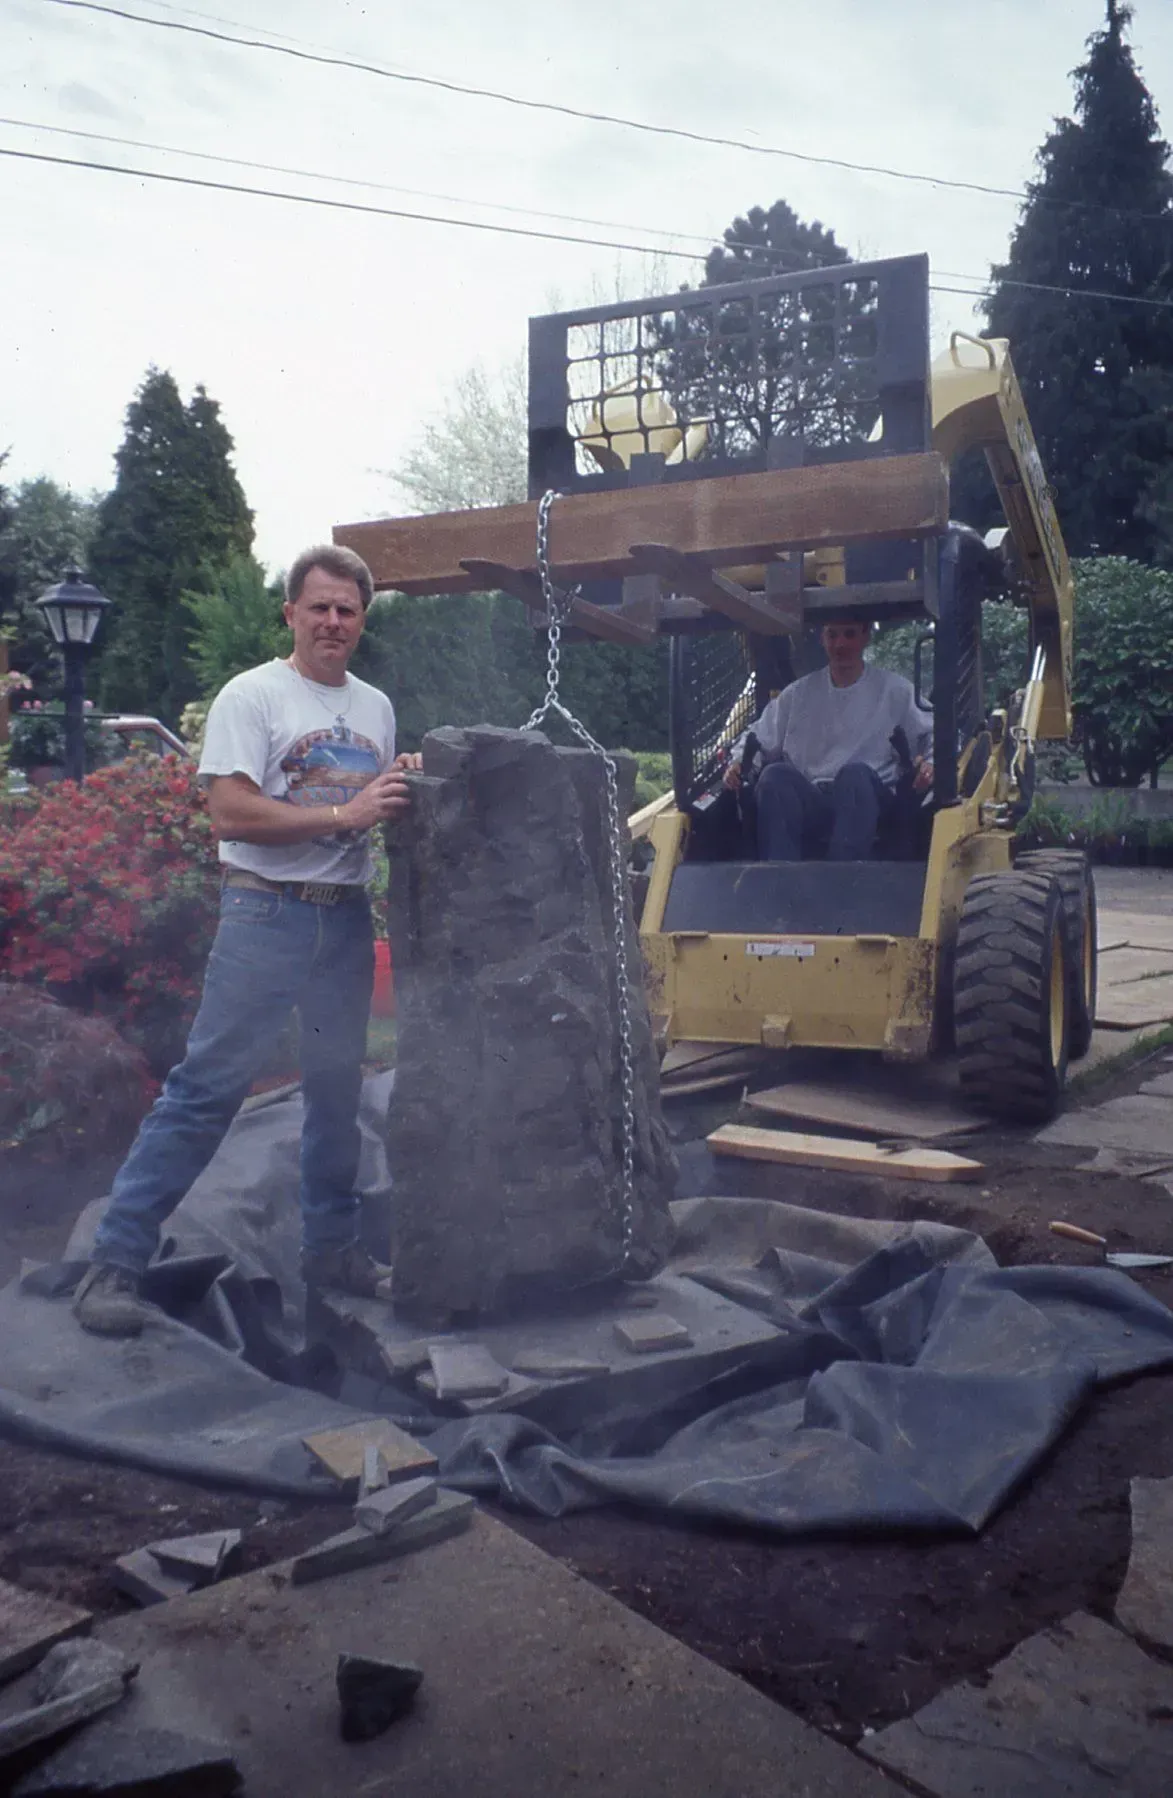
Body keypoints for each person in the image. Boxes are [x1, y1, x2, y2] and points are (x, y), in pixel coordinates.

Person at [73, 544, 422, 1338]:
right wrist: (346, 815)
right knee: (208, 1089)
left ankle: (330, 1252)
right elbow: (230, 813)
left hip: (340, 921)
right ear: (290, 612)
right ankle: (114, 1266)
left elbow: (368, 804)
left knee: (337, 1093)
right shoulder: (253, 695)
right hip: (265, 915)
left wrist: (398, 785)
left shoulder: (372, 707)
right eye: (319, 606)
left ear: (362, 620)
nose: (333, 620)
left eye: (348, 609)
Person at [724, 620, 933, 861]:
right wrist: (739, 763)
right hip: (814, 798)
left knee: (854, 777)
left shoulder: (896, 692)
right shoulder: (797, 695)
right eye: (833, 635)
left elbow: (935, 733)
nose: (840, 644)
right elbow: (758, 738)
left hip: (871, 801)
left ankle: (842, 878)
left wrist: (931, 763)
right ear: (822, 639)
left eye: (849, 634)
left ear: (865, 637)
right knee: (775, 777)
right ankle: (779, 878)